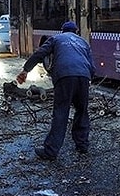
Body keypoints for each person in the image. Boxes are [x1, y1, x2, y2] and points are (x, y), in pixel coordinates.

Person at [16, 21, 95, 161]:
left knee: (61, 112)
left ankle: (51, 151)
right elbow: (92, 66)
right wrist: (89, 79)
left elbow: (40, 53)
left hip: (64, 76)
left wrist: (25, 70)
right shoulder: (83, 42)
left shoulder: (56, 39)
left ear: (62, 31)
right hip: (83, 76)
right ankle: (82, 145)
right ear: (76, 31)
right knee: (82, 111)